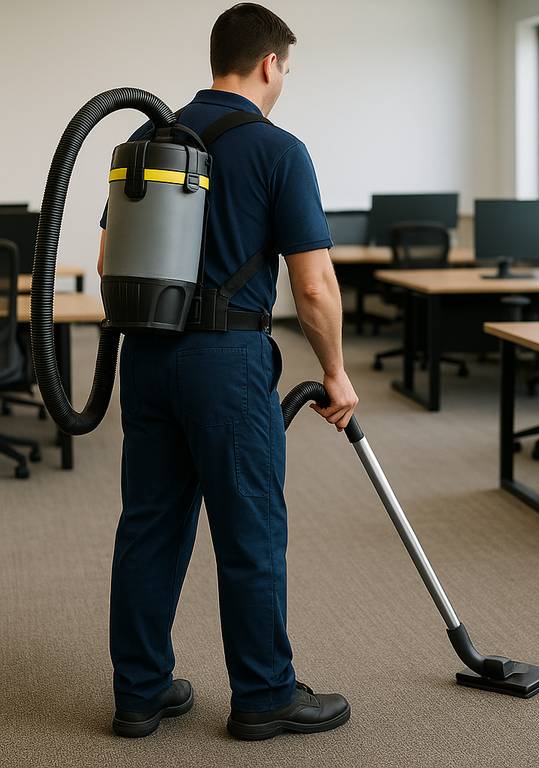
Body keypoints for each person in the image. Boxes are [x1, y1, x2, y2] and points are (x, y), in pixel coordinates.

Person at [99, 2, 358, 741]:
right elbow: (314, 286)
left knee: (149, 525)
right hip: (229, 363)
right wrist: (336, 372)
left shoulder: (147, 139)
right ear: (271, 63)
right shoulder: (279, 150)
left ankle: (140, 693)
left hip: (147, 358)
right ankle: (264, 694)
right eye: (287, 69)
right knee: (250, 530)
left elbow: (109, 262)